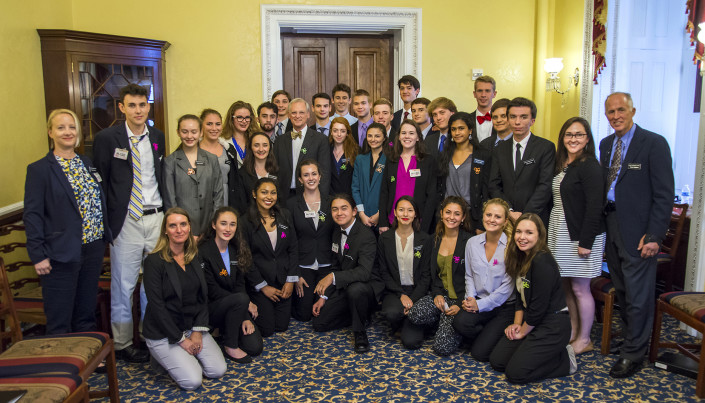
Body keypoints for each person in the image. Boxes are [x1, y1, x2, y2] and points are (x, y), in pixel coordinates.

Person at [599, 92, 674, 378]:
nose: (615, 116)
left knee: (640, 295)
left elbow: (664, 194)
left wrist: (655, 235)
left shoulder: (653, 144)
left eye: (621, 110)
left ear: (633, 110)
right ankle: (633, 342)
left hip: (641, 233)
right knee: (624, 290)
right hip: (613, 224)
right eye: (610, 112)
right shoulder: (606, 145)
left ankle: (634, 355)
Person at [93, 83, 165, 363]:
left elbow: (159, 175)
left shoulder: (157, 136)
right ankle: (122, 343)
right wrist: (108, 226)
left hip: (156, 218)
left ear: (148, 106)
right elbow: (101, 184)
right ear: (122, 108)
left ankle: (149, 337)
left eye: (142, 104)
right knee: (124, 286)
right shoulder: (107, 138)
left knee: (153, 285)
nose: (138, 110)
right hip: (126, 221)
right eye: (132, 105)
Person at [24, 109, 112, 335]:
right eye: (61, 127)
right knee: (60, 313)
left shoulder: (86, 162)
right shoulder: (40, 170)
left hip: (92, 247)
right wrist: (38, 254)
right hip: (59, 252)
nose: (67, 132)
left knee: (86, 308)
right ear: (50, 132)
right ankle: (61, 364)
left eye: (71, 127)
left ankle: (86, 357)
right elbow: (33, 215)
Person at [142, 208, 226, 390]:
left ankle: (183, 358)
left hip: (191, 326)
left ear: (189, 228)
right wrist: (181, 341)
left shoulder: (194, 255)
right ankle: (165, 356)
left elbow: (203, 297)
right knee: (192, 381)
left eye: (183, 224)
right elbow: (157, 307)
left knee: (217, 370)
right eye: (173, 226)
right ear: (165, 230)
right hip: (164, 333)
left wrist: (197, 331)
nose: (179, 230)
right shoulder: (154, 262)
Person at [489, 213, 575, 384]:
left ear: (540, 235)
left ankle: (565, 360)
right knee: (498, 361)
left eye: (529, 233)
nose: (522, 237)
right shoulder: (521, 257)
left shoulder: (542, 262)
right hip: (532, 321)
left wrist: (521, 332)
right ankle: (533, 352)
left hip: (552, 326)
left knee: (515, 373)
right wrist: (516, 324)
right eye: (519, 232)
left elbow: (538, 308)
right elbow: (521, 298)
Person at [548, 117, 605, 356]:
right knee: (566, 286)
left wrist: (586, 242)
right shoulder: (564, 164)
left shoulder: (589, 165)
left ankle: (584, 338)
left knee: (581, 288)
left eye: (579, 135)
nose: (573, 139)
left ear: (587, 139)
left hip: (581, 235)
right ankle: (573, 331)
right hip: (560, 231)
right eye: (569, 134)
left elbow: (595, 206)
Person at [406, 196, 473, 356]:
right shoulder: (433, 240)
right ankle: (441, 319)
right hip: (440, 296)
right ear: (441, 214)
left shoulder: (470, 242)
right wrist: (436, 294)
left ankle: (449, 323)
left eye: (457, 214)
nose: (451, 217)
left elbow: (473, 279)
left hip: (460, 300)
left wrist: (459, 303)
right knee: (414, 314)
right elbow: (431, 274)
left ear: (463, 217)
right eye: (448, 212)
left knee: (442, 348)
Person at [312, 194, 377, 353]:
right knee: (319, 323)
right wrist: (324, 296)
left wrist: (332, 278)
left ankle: (360, 332)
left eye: (344, 208)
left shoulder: (366, 236)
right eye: (335, 209)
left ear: (354, 211)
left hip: (365, 288)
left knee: (356, 290)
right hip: (345, 286)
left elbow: (364, 273)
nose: (339, 213)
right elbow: (335, 266)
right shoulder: (336, 232)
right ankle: (358, 313)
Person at [452, 199, 515, 362]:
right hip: (479, 301)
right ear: (483, 216)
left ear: (505, 221)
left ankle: (495, 336)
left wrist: (479, 306)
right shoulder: (472, 243)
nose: (492, 220)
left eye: (497, 216)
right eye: (488, 215)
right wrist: (471, 298)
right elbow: (469, 275)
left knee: (480, 354)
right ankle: (489, 334)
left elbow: (507, 288)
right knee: (459, 322)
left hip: (503, 306)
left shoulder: (512, 246)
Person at [199, 207, 263, 363]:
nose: (228, 229)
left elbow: (240, 284)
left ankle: (222, 332)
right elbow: (211, 290)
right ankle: (230, 346)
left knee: (255, 347)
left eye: (232, 224)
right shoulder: (203, 251)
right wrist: (244, 302)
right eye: (223, 223)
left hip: (235, 307)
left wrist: (245, 316)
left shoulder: (236, 249)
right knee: (240, 298)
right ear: (214, 225)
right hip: (211, 309)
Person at [241, 178, 299, 337]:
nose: (269, 197)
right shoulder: (245, 221)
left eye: (273, 193)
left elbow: (293, 248)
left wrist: (291, 280)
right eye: (264, 192)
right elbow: (245, 258)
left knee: (281, 326)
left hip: (283, 280)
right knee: (266, 330)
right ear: (254, 194)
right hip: (260, 283)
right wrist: (263, 286)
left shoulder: (285, 215)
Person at [488, 97, 555, 225]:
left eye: (523, 117)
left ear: (532, 121)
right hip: (506, 218)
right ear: (508, 119)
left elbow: (545, 186)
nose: (517, 122)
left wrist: (525, 216)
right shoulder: (499, 149)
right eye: (513, 117)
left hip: (536, 218)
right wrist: (510, 211)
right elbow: (494, 185)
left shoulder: (545, 147)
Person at [376, 196, 431, 349]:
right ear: (395, 213)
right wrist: (402, 294)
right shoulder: (385, 238)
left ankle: (410, 319)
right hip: (395, 291)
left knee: (411, 342)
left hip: (417, 292)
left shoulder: (425, 240)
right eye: (401, 210)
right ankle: (404, 318)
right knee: (392, 313)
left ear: (415, 215)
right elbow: (383, 272)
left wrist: (412, 299)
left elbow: (427, 276)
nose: (405, 214)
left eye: (410, 210)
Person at [286, 160, 335, 322]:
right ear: (300, 180)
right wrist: (295, 275)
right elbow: (290, 242)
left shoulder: (331, 203)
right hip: (303, 266)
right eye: (306, 175)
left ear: (320, 177)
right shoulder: (292, 205)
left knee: (324, 314)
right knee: (304, 315)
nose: (310, 178)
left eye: (314, 174)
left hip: (326, 265)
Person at [164, 114, 224, 237]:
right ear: (178, 132)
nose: (189, 136)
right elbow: (170, 200)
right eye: (185, 132)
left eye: (194, 132)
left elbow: (218, 194)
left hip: (208, 227)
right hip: (181, 230)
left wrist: (213, 225)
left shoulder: (211, 159)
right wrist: (181, 228)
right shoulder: (170, 162)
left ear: (201, 132)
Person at [378, 120, 438, 233]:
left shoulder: (427, 161)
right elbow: (384, 192)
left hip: (418, 222)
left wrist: (425, 226)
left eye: (411, 133)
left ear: (418, 137)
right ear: (399, 137)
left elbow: (431, 196)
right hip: (393, 220)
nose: (407, 136)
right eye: (403, 133)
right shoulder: (391, 160)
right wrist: (383, 222)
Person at [438, 112, 490, 232]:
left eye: (461, 128)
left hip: (472, 216)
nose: (457, 133)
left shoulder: (482, 155)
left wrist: (481, 223)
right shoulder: (444, 155)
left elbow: (486, 190)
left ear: (470, 130)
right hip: (448, 215)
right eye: (453, 129)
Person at [272, 98, 331, 203]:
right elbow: (274, 171)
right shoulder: (280, 141)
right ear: (289, 115)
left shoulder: (320, 140)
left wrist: (322, 199)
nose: (297, 116)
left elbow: (325, 173)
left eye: (301, 112)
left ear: (308, 114)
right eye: (294, 113)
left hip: (310, 195)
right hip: (283, 196)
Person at [199, 109, 242, 211]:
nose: (214, 128)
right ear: (201, 126)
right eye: (209, 124)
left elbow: (235, 181)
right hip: (201, 202)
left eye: (218, 124)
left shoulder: (229, 149)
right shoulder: (193, 149)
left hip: (225, 200)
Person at [351, 123, 388, 232]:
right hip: (363, 216)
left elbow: (391, 190)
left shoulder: (390, 159)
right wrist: (361, 213)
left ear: (384, 138)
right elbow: (355, 188)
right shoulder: (360, 159)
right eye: (370, 136)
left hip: (382, 216)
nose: (373, 139)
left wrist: (380, 214)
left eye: (377, 136)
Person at [238, 132, 280, 210]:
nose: (261, 149)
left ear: (270, 148)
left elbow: (281, 200)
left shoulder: (278, 171)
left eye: (265, 145)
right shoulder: (242, 173)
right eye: (256, 145)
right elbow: (241, 203)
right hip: (250, 218)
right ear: (251, 148)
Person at [222, 101, 259, 168]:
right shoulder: (222, 140)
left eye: (247, 117)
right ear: (231, 119)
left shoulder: (256, 139)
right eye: (240, 117)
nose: (244, 121)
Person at [328, 117, 358, 196]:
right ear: (331, 132)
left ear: (347, 133)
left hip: (349, 198)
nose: (339, 134)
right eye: (335, 131)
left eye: (343, 131)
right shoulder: (325, 150)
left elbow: (358, 180)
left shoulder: (355, 151)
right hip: (330, 198)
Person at [469, 76, 497, 143]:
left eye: (487, 91)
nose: (483, 95)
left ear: (494, 94)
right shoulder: (467, 119)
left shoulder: (504, 120)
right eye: (480, 91)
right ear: (474, 94)